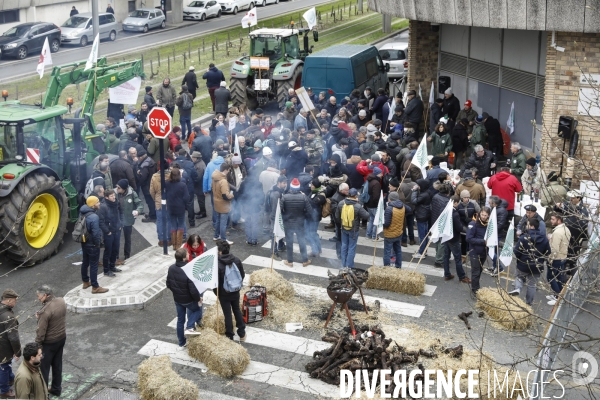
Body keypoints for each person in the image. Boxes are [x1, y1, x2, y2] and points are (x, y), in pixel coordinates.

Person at [166, 248, 202, 350]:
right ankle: (190, 326)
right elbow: (193, 290)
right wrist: (198, 299)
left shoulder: (171, 268)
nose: (188, 254)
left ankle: (181, 343)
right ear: (183, 257)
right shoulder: (188, 269)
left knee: (180, 320)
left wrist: (177, 292)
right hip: (188, 300)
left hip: (177, 299)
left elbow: (168, 284)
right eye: (187, 254)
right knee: (197, 310)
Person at [509, 218, 550, 305]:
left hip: (523, 264)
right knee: (532, 285)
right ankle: (528, 304)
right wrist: (541, 260)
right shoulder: (544, 239)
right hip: (537, 265)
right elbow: (548, 252)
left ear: (532, 226)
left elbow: (517, 251)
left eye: (527, 224)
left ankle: (518, 289)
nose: (526, 226)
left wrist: (520, 260)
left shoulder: (524, 237)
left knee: (519, 277)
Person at [34, 285, 66, 397]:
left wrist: (38, 347)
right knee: (57, 365)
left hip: (49, 343)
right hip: (61, 338)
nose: (38, 298)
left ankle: (43, 394)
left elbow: (41, 332)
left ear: (45, 295)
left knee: (44, 370)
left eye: (39, 296)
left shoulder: (45, 311)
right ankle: (56, 389)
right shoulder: (62, 301)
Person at [214, 240, 246, 341]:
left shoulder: (217, 264)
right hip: (235, 290)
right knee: (236, 309)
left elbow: (216, 282)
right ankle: (242, 333)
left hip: (224, 293)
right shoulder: (236, 260)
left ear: (219, 252)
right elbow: (242, 275)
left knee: (227, 314)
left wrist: (217, 293)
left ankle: (230, 335)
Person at [79, 196, 108, 293]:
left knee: (85, 262)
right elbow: (96, 233)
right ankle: (95, 287)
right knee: (94, 265)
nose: (99, 203)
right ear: (93, 204)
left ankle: (85, 282)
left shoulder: (82, 212)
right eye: (97, 202)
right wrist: (98, 244)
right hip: (92, 245)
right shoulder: (94, 217)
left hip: (84, 242)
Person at [281, 178, 311, 267]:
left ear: (291, 187)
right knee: (301, 241)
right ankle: (305, 260)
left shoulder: (285, 197)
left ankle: (290, 261)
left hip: (288, 223)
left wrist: (284, 216)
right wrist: (304, 215)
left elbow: (280, 210)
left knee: (289, 241)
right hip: (300, 222)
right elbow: (309, 211)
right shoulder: (303, 197)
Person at [336, 188, 369, 268]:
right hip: (353, 230)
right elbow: (366, 215)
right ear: (355, 196)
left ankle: (343, 265)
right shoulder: (357, 206)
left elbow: (337, 216)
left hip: (344, 229)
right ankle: (349, 266)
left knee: (344, 246)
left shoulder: (341, 203)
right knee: (351, 248)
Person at [443, 196, 471, 283]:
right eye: (458, 203)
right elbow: (459, 228)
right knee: (458, 258)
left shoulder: (446, 211)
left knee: (446, 256)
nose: (458, 204)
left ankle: (447, 274)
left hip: (446, 236)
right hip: (454, 238)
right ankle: (462, 276)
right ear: (455, 203)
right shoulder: (455, 214)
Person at [116, 180, 144, 263]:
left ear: (124, 189)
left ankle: (127, 256)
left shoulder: (131, 194)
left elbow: (140, 204)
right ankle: (116, 257)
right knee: (116, 240)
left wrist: (138, 211)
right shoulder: (114, 193)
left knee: (127, 239)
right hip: (118, 220)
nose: (116, 189)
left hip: (127, 220)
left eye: (119, 188)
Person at [546, 213, 570, 306]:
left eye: (553, 219)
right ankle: (559, 295)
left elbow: (554, 249)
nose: (551, 221)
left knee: (550, 277)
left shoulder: (556, 232)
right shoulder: (566, 229)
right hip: (563, 256)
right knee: (559, 277)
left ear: (559, 220)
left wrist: (550, 259)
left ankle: (557, 297)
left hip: (556, 258)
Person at [0, 289, 20, 399]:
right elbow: (14, 338)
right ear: (8, 301)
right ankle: (4, 391)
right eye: (14, 300)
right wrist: (17, 352)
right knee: (4, 366)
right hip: (4, 348)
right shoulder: (8, 317)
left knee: (5, 366)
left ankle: (10, 378)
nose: (15, 302)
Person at [466, 207, 491, 295]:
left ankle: (475, 286)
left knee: (479, 270)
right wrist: (483, 241)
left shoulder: (489, 225)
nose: (483, 217)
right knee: (475, 272)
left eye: (485, 215)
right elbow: (469, 238)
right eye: (482, 215)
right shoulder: (473, 224)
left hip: (484, 252)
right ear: (479, 214)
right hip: (475, 252)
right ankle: (475, 290)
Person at [382, 191, 411, 268]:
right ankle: (398, 266)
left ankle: (386, 268)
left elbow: (387, 224)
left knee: (387, 252)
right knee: (398, 251)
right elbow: (410, 210)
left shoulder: (389, 209)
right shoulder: (402, 206)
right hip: (398, 233)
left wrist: (381, 223)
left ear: (390, 199)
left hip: (390, 234)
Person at [99, 189, 123, 277]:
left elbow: (120, 213)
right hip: (109, 233)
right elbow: (101, 221)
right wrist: (107, 231)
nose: (114, 197)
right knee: (108, 252)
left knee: (115, 250)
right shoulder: (103, 207)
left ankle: (112, 266)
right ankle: (106, 270)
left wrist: (120, 224)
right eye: (111, 196)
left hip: (117, 230)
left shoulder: (116, 203)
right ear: (106, 197)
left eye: (114, 195)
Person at [166, 166, 190, 249]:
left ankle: (174, 244)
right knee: (180, 224)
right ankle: (178, 245)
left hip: (171, 207)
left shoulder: (167, 183)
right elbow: (186, 197)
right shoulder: (182, 185)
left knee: (173, 225)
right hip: (180, 207)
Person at [211, 163, 234, 244]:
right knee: (223, 223)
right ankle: (223, 239)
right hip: (223, 204)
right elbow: (225, 196)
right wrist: (232, 195)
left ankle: (216, 236)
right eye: (229, 170)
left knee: (218, 221)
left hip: (216, 202)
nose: (229, 172)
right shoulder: (223, 181)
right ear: (226, 170)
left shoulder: (215, 177)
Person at [411, 179, 432, 258]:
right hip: (425, 215)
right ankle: (424, 250)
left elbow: (414, 201)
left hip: (421, 215)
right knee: (425, 234)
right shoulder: (428, 192)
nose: (417, 186)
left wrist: (414, 191)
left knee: (422, 235)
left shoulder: (423, 195)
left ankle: (421, 252)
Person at [268, 176, 288, 260]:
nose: (285, 185)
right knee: (275, 234)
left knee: (280, 231)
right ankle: (274, 253)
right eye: (284, 183)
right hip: (275, 217)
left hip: (278, 216)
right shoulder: (276, 194)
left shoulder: (280, 191)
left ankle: (281, 245)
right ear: (278, 183)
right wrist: (276, 218)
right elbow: (275, 208)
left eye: (286, 183)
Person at [457, 189, 480, 262]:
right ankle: (463, 256)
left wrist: (473, 219)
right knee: (464, 241)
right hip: (463, 225)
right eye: (465, 197)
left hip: (472, 224)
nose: (467, 199)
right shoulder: (458, 205)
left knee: (472, 241)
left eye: (468, 197)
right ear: (462, 198)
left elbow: (479, 212)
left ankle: (472, 255)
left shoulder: (473, 203)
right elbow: (456, 215)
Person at [306, 179, 326, 257]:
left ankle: (315, 250)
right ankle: (318, 248)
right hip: (309, 216)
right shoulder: (313, 192)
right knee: (313, 233)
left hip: (314, 217)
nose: (311, 186)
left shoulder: (321, 195)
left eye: (312, 185)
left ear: (316, 186)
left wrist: (305, 197)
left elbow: (314, 203)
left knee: (310, 234)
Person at [136, 150, 157, 223]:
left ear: (141, 157)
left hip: (147, 186)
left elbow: (143, 177)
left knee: (149, 201)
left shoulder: (144, 165)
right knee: (152, 200)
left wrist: (139, 175)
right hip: (152, 183)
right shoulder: (151, 161)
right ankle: (153, 213)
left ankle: (152, 216)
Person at [365, 167, 383, 240]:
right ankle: (375, 237)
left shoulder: (370, 180)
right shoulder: (376, 183)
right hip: (374, 205)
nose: (382, 175)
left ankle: (368, 234)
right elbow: (376, 197)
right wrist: (378, 204)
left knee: (371, 219)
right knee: (376, 220)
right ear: (377, 174)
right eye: (381, 173)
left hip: (369, 204)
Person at [190, 152, 207, 219]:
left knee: (201, 200)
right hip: (200, 185)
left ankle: (203, 213)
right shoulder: (199, 163)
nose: (192, 159)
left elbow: (198, 177)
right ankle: (201, 211)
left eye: (193, 157)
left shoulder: (199, 166)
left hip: (200, 185)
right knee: (200, 200)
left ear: (196, 158)